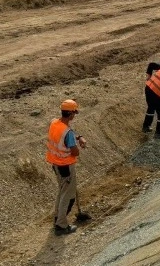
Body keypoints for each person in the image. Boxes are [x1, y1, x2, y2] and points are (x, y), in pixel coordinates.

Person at [46, 99, 87, 236]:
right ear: (70, 114)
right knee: (67, 196)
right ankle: (62, 225)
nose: (74, 115)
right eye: (74, 113)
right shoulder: (67, 132)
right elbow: (74, 151)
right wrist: (78, 146)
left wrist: (78, 136)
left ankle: (57, 219)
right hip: (66, 166)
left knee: (61, 192)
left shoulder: (54, 123)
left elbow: (65, 133)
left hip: (56, 165)